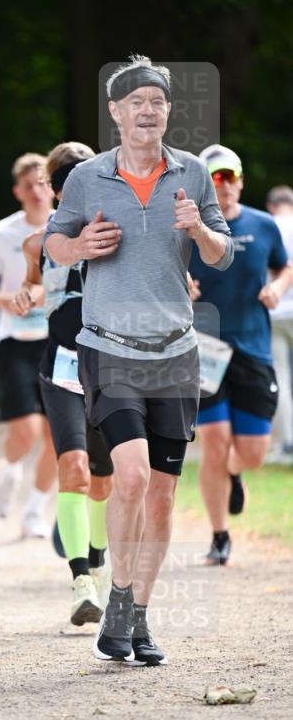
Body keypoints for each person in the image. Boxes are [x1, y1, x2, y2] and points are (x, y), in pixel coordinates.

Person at [45, 54, 234, 666]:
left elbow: (221, 253)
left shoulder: (194, 175)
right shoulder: (87, 178)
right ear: (115, 112)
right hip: (107, 346)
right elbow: (53, 242)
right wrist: (79, 245)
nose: (147, 110)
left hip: (176, 353)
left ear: (168, 112)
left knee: (161, 492)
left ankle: (136, 615)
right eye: (136, 102)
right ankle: (117, 593)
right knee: (128, 476)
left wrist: (199, 232)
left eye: (157, 101)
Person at [13, 142, 113, 625]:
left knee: (105, 479)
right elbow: (39, 281)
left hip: (112, 366)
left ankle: (98, 560)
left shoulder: (113, 232)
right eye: (65, 176)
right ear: (52, 187)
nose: (75, 181)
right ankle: (80, 581)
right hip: (62, 367)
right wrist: (27, 293)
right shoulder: (37, 242)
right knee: (72, 468)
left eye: (83, 172)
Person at [189, 148, 292, 564]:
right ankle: (219, 536)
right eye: (215, 178)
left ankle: (235, 473)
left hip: (253, 349)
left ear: (242, 181)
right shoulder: (187, 230)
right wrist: (183, 286)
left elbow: (285, 267)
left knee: (253, 451)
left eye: (231, 176)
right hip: (205, 350)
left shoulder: (263, 225)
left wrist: (277, 289)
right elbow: (163, 274)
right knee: (213, 444)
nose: (225, 185)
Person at [0, 154, 57, 538]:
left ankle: (35, 512)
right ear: (18, 192)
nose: (37, 191)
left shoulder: (69, 226)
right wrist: (4, 301)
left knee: (60, 434)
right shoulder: (3, 233)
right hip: (16, 342)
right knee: (26, 432)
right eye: (29, 185)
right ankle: (9, 466)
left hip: (60, 341)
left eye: (43, 183)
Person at [265, 185, 293, 461]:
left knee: (281, 377)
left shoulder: (267, 225)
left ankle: (287, 443)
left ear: (272, 205)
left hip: (275, 312)